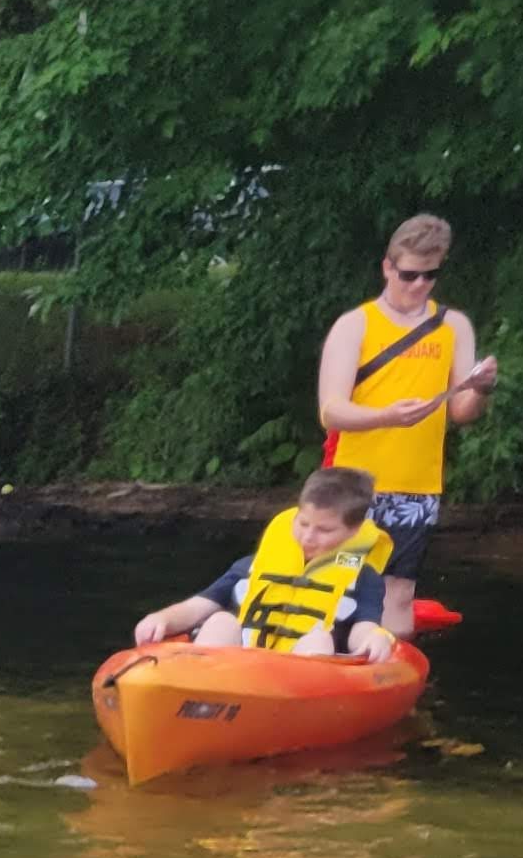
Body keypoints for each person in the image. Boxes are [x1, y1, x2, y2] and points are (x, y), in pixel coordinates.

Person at [316, 212, 501, 640]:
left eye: (430, 275)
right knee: (337, 580)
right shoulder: (355, 325)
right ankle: (320, 659)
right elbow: (331, 411)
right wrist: (387, 416)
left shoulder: (454, 326)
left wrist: (481, 388)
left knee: (397, 592)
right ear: (387, 266)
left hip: (416, 486)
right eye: (409, 274)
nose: (418, 285)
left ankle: (385, 671)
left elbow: (462, 412)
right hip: (353, 484)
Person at [131, 466, 402, 660]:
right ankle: (195, 693)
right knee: (221, 620)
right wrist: (163, 619)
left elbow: (363, 626)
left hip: (304, 675)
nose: (308, 537)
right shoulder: (252, 565)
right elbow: (199, 605)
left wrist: (373, 638)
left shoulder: (364, 577)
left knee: (318, 638)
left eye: (324, 530)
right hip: (240, 666)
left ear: (353, 532)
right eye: (303, 523)